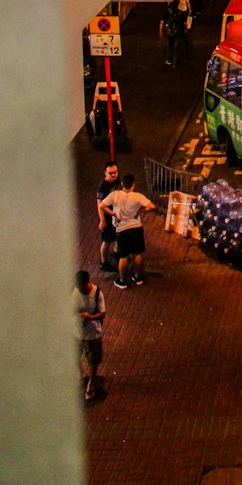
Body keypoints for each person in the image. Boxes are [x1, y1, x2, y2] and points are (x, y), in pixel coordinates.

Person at [99, 173, 156, 289]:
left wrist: (113, 213)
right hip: (136, 227)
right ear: (133, 185)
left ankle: (122, 281)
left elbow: (102, 206)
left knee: (123, 256)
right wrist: (142, 211)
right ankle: (138, 277)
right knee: (137, 254)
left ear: (122, 184)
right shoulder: (138, 196)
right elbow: (152, 206)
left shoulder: (115, 195)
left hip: (121, 229)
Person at [72, 268, 105, 402]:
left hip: (92, 334)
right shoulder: (72, 292)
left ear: (87, 282)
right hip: (76, 333)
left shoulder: (97, 293)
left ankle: (90, 384)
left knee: (93, 360)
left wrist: (89, 317)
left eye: (81, 286)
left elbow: (102, 313)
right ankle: (81, 375)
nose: (79, 289)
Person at [96, 159, 120, 272]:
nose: (114, 175)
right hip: (107, 216)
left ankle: (116, 252)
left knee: (117, 236)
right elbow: (99, 204)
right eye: (111, 173)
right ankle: (103, 262)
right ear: (105, 173)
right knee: (106, 241)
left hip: (116, 215)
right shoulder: (102, 187)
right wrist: (102, 220)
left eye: (115, 172)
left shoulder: (117, 181)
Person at [160, 0, 184, 68]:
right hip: (177, 32)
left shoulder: (167, 11)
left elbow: (162, 21)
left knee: (169, 46)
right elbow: (182, 23)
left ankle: (169, 60)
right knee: (176, 47)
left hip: (169, 32)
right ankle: (175, 61)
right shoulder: (180, 13)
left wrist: (161, 31)